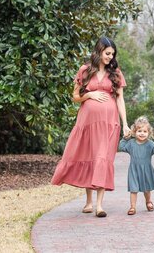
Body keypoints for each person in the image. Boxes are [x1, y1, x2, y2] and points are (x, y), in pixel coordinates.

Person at [51, 37, 130, 218]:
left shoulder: (115, 73)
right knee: (89, 157)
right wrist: (90, 95)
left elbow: (120, 98)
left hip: (109, 123)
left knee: (102, 158)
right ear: (99, 51)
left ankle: (100, 205)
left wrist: (125, 123)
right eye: (107, 53)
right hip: (87, 123)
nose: (110, 57)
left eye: (112, 54)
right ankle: (88, 202)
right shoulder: (85, 70)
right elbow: (75, 97)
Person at [118, 116, 154, 216]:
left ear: (148, 133)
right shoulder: (131, 143)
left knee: (146, 189)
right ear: (134, 132)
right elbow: (121, 147)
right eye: (139, 131)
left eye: (144, 131)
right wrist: (125, 138)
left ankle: (148, 201)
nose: (142, 133)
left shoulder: (150, 144)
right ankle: (133, 207)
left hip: (146, 170)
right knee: (133, 189)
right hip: (134, 170)